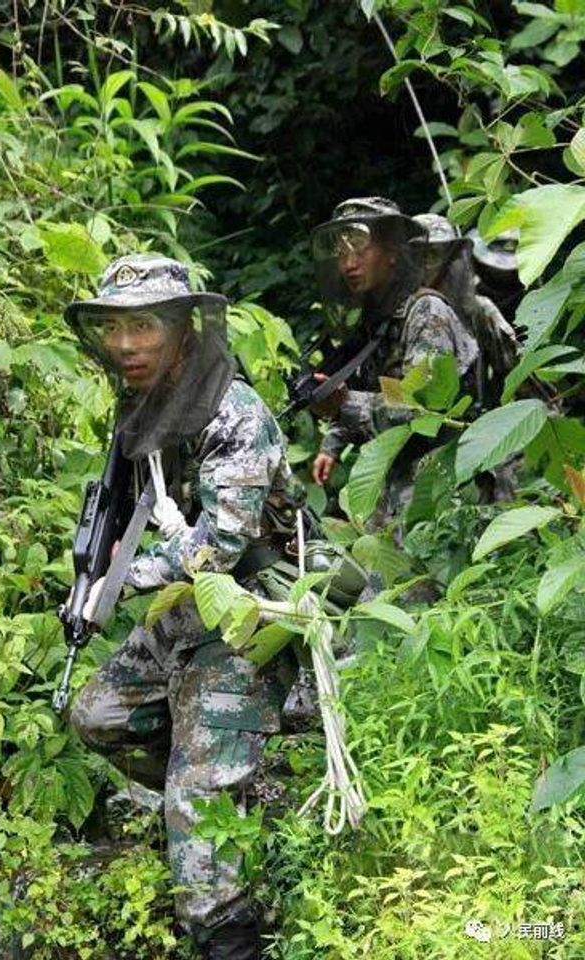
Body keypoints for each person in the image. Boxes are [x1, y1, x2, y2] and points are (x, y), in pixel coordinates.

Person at [64, 254, 300, 960]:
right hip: (186, 610)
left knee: (198, 853)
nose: (127, 344)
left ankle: (228, 912)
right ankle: (243, 791)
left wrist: (116, 580)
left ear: (185, 330)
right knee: (97, 717)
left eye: (144, 325)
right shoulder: (145, 406)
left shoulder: (234, 412)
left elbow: (218, 551)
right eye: (112, 327)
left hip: (251, 612)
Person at [310, 198, 481, 506]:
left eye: (360, 248)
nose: (348, 264)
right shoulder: (379, 319)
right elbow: (371, 387)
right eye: (341, 252)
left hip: (445, 488)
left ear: (391, 251)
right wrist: (333, 441)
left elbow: (424, 406)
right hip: (398, 482)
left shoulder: (426, 311)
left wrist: (344, 404)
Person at [413, 213, 519, 407]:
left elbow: (518, 376)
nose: (425, 265)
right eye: (418, 254)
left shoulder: (479, 311)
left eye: (435, 254)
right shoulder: (388, 312)